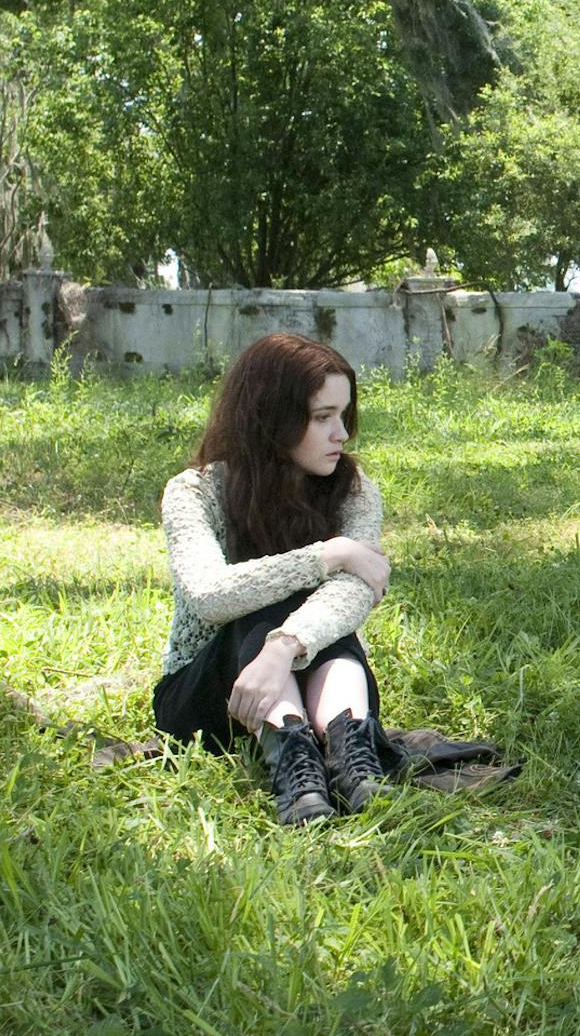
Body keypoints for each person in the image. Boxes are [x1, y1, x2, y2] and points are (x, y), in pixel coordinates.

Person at [152, 331, 396, 825]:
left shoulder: (354, 490)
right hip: (208, 695)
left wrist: (284, 648)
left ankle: (349, 749)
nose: (341, 435)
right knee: (264, 600)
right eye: (322, 417)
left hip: (311, 676)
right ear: (273, 418)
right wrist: (328, 554)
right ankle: (291, 752)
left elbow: (355, 593)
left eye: (343, 415)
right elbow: (209, 597)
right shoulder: (192, 493)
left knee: (321, 615)